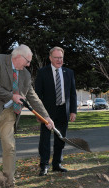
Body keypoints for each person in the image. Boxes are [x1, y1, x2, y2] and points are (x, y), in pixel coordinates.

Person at [0, 44, 54, 183]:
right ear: (18, 57)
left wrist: (46, 116)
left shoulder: (25, 74)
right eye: (27, 61)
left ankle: (9, 179)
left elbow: (32, 96)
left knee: (9, 146)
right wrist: (12, 96)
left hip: (10, 112)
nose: (29, 65)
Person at [35, 46, 77, 176]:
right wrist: (39, 113)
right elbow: (37, 95)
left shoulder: (69, 72)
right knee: (45, 141)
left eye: (61, 58)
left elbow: (73, 93)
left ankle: (57, 164)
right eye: (56, 57)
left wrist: (73, 111)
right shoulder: (42, 72)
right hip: (47, 113)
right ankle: (44, 166)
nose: (59, 60)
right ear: (50, 58)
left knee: (61, 139)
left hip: (63, 111)